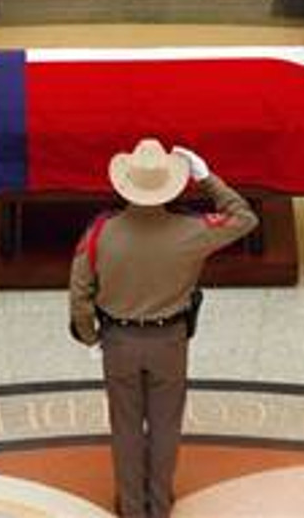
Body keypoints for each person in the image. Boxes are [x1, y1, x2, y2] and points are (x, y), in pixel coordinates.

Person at [68, 139, 258, 518]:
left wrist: (91, 336)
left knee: (125, 427)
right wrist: (206, 178)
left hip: (118, 341)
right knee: (165, 426)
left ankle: (132, 508)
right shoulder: (191, 231)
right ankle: (158, 506)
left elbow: (79, 294)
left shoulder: (100, 232)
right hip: (169, 341)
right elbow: (244, 218)